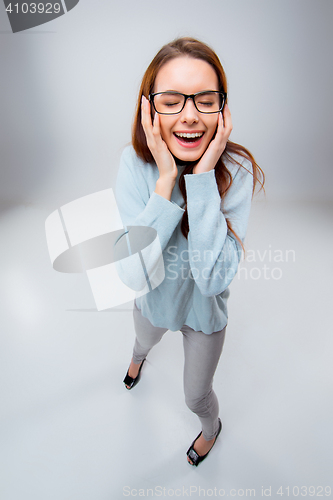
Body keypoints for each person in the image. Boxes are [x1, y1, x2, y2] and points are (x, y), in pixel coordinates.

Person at [115, 37, 265, 466]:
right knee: (142, 341)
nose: (190, 116)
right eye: (171, 100)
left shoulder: (233, 170)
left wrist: (200, 180)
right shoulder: (134, 165)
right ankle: (137, 360)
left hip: (203, 315)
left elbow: (212, 278)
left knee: (196, 395)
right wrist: (165, 181)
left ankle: (211, 429)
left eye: (205, 100)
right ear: (148, 108)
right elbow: (133, 275)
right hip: (155, 300)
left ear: (223, 107)